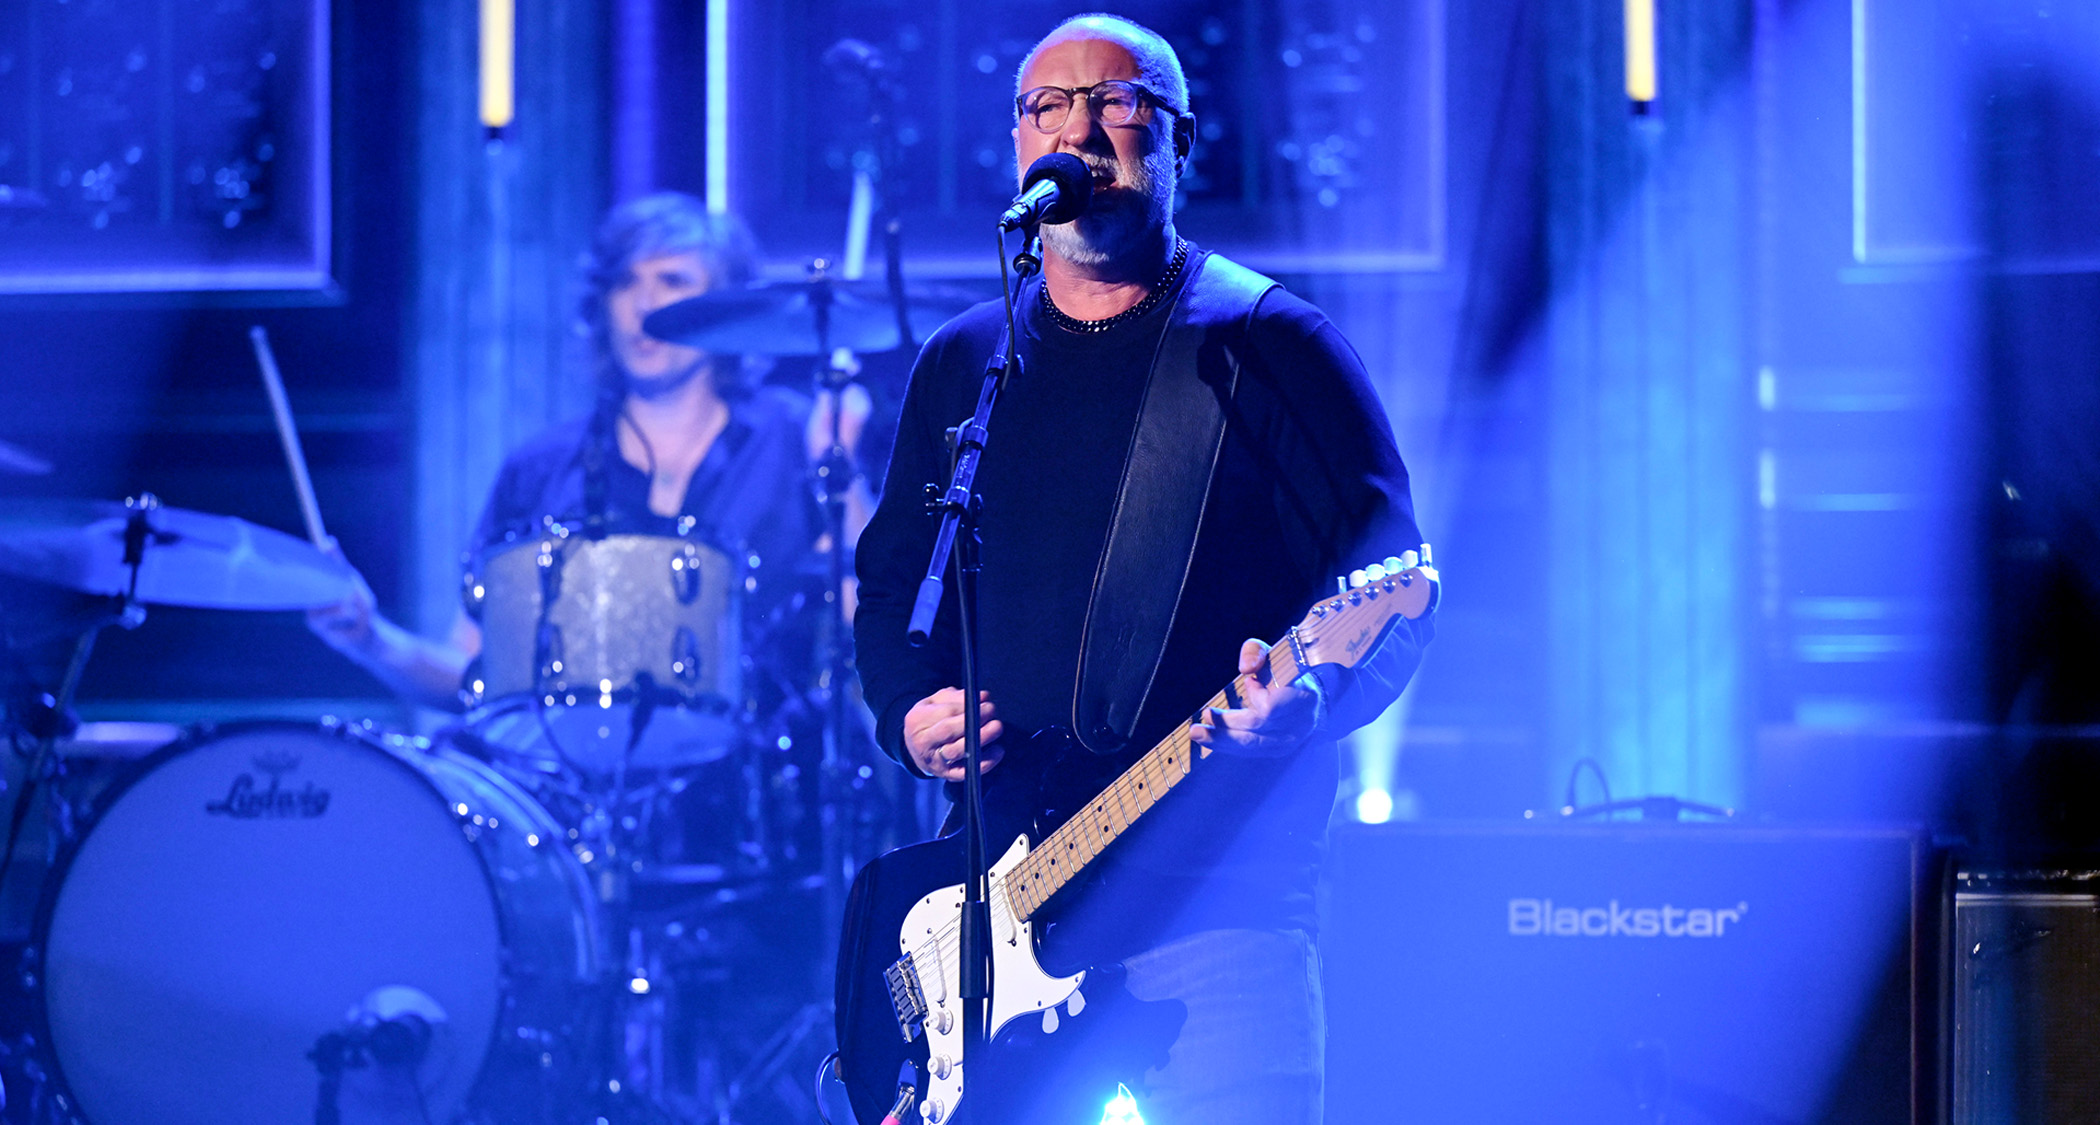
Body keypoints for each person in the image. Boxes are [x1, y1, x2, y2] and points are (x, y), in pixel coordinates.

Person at [851, 14, 1433, 1125]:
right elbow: (893, 590)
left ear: (1179, 141)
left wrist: (1307, 702)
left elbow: (1395, 586)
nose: (1082, 127)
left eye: (1118, 103)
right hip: (996, 912)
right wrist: (907, 713)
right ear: (1020, 145)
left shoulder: (1270, 345)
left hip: (1217, 903)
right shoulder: (969, 363)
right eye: (1049, 107)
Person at [310, 192, 870, 710]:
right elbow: (479, 678)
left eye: (673, 281)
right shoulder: (541, 468)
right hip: (582, 795)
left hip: (761, 795)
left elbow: (869, 622)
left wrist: (845, 477)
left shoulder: (796, 437)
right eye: (625, 283)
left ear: (726, 306)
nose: (644, 305)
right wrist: (371, 641)